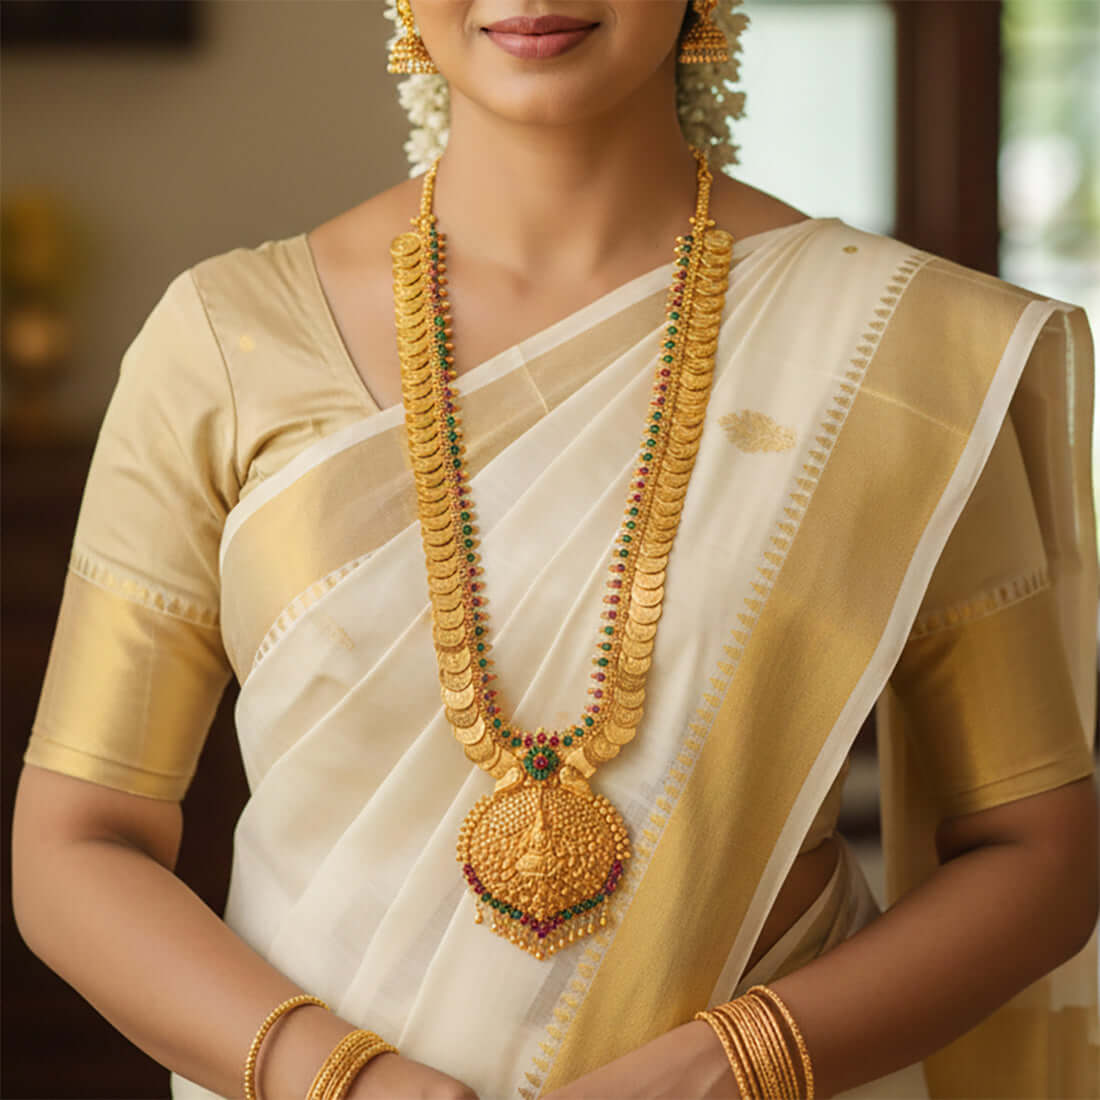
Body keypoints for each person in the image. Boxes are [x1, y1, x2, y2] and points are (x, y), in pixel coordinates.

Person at [10, 2, 1099, 1098]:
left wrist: (724, 1067)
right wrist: (341, 1079)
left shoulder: (889, 353)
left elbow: (1038, 850)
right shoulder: (226, 342)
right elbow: (75, 842)